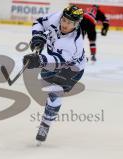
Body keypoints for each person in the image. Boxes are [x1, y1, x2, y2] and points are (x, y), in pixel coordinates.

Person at [23, 5, 85, 144]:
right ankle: (48, 116)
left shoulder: (73, 43)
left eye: (69, 23)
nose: (64, 24)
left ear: (76, 24)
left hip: (72, 69)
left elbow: (58, 61)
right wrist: (37, 37)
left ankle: (45, 125)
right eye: (64, 20)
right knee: (48, 87)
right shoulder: (57, 17)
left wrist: (39, 60)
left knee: (54, 92)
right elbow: (39, 22)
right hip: (55, 61)